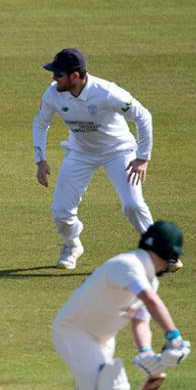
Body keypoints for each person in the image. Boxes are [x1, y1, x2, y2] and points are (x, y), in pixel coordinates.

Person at [32, 48, 172, 270]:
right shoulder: (53, 94)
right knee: (60, 211)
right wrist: (40, 160)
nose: (53, 78)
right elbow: (41, 123)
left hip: (118, 151)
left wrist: (142, 157)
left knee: (133, 204)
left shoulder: (107, 92)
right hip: (80, 153)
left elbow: (142, 115)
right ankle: (72, 245)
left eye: (58, 74)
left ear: (75, 76)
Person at [52, 220, 191, 390]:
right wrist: (174, 337)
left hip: (103, 338)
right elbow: (150, 300)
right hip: (74, 332)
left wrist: (145, 351)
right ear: (167, 254)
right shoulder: (128, 265)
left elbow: (140, 321)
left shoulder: (150, 280)